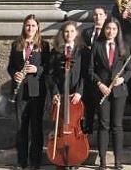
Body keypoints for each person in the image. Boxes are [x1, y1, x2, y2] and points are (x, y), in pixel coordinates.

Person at [89, 18, 131, 170]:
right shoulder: (97, 45)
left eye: (114, 29)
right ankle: (102, 162)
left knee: (117, 125)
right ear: (104, 29)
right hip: (102, 91)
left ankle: (118, 161)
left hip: (119, 92)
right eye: (108, 28)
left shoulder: (124, 46)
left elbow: (129, 70)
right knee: (103, 125)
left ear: (118, 31)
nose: (111, 32)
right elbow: (90, 70)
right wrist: (99, 84)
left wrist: (122, 79)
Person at [8, 15, 47, 170]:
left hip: (36, 92)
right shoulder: (16, 45)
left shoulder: (44, 45)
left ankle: (35, 161)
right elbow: (10, 66)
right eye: (27, 25)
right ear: (24, 27)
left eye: (33, 25)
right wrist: (14, 74)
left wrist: (38, 69)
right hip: (20, 92)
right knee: (21, 128)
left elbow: (48, 66)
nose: (30, 28)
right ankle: (21, 161)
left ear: (38, 27)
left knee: (36, 127)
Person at [46, 22, 85, 166]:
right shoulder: (56, 52)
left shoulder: (82, 51)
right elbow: (50, 75)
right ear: (62, 34)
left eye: (72, 31)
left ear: (76, 33)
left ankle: (75, 156)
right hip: (61, 96)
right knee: (60, 123)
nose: (69, 34)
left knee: (75, 124)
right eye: (66, 32)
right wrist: (55, 93)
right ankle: (59, 157)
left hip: (75, 96)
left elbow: (84, 75)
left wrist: (79, 92)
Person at [81, 7, 107, 134]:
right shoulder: (86, 33)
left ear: (105, 16)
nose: (98, 17)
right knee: (88, 105)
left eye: (101, 14)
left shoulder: (109, 32)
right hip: (89, 73)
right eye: (95, 15)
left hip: (103, 75)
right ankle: (88, 130)